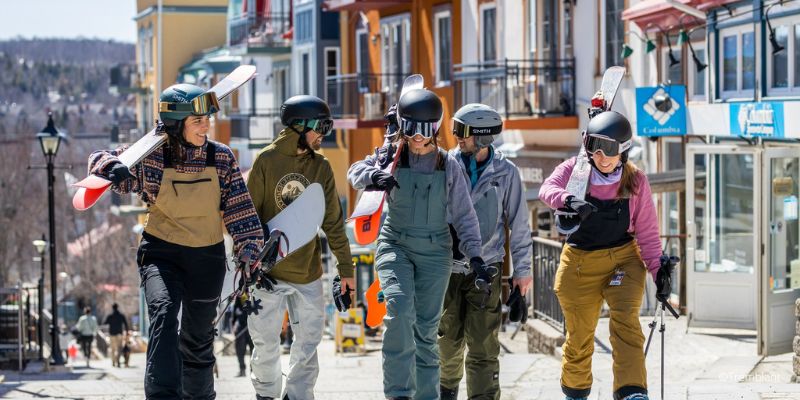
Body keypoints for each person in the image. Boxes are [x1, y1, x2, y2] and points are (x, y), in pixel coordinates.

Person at [87, 83, 264, 399]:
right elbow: (98, 160)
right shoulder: (153, 157)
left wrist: (250, 251)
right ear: (176, 124)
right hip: (162, 254)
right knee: (165, 314)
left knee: (198, 338)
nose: (206, 125)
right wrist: (111, 167)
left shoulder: (220, 158)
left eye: (207, 118)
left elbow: (241, 213)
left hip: (206, 258)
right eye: (198, 121)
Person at [348, 88, 489, 400]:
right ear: (402, 126)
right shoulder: (391, 156)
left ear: (435, 130)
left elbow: (465, 216)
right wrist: (374, 175)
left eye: (424, 130)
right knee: (398, 311)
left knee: (426, 330)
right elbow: (354, 172)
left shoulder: (447, 166)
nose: (416, 137)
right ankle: (399, 393)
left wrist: (476, 258)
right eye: (409, 128)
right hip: (395, 243)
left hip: (435, 252)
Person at [538, 111, 662, 400]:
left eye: (608, 148)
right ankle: (576, 392)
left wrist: (659, 273)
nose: (600, 156)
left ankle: (632, 392)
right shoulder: (576, 170)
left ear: (623, 150)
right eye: (593, 145)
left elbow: (647, 233)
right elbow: (547, 189)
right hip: (580, 262)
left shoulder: (635, 181)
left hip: (623, 259)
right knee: (579, 337)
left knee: (626, 323)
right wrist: (568, 198)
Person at [246, 95, 354, 400]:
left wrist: (346, 271)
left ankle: (296, 396)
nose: (324, 134)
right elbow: (249, 218)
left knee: (308, 344)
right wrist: (248, 264)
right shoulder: (266, 161)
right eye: (321, 126)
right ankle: (266, 395)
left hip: (307, 272)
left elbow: (333, 221)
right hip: (268, 273)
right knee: (266, 343)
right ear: (299, 126)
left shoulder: (321, 166)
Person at [438, 104, 533, 400]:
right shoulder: (445, 165)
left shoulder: (505, 173)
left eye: (462, 132)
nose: (456, 137)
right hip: (447, 269)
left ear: (482, 136)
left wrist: (522, 273)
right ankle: (445, 392)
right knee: (447, 340)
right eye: (455, 130)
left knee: (483, 344)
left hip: (487, 269)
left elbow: (519, 223)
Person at [233, 293, 254, 377]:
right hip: (241, 327)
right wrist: (233, 325)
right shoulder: (240, 294)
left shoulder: (254, 290)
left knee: (254, 350)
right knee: (240, 350)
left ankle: (254, 370)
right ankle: (242, 370)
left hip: (252, 327)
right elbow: (235, 313)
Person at [104, 303, 129, 368]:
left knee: (113, 349)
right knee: (119, 348)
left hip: (112, 334)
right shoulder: (121, 315)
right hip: (119, 334)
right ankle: (118, 361)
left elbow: (105, 322)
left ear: (112, 308)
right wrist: (127, 332)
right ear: (117, 307)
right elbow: (126, 324)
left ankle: (113, 362)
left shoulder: (110, 316)